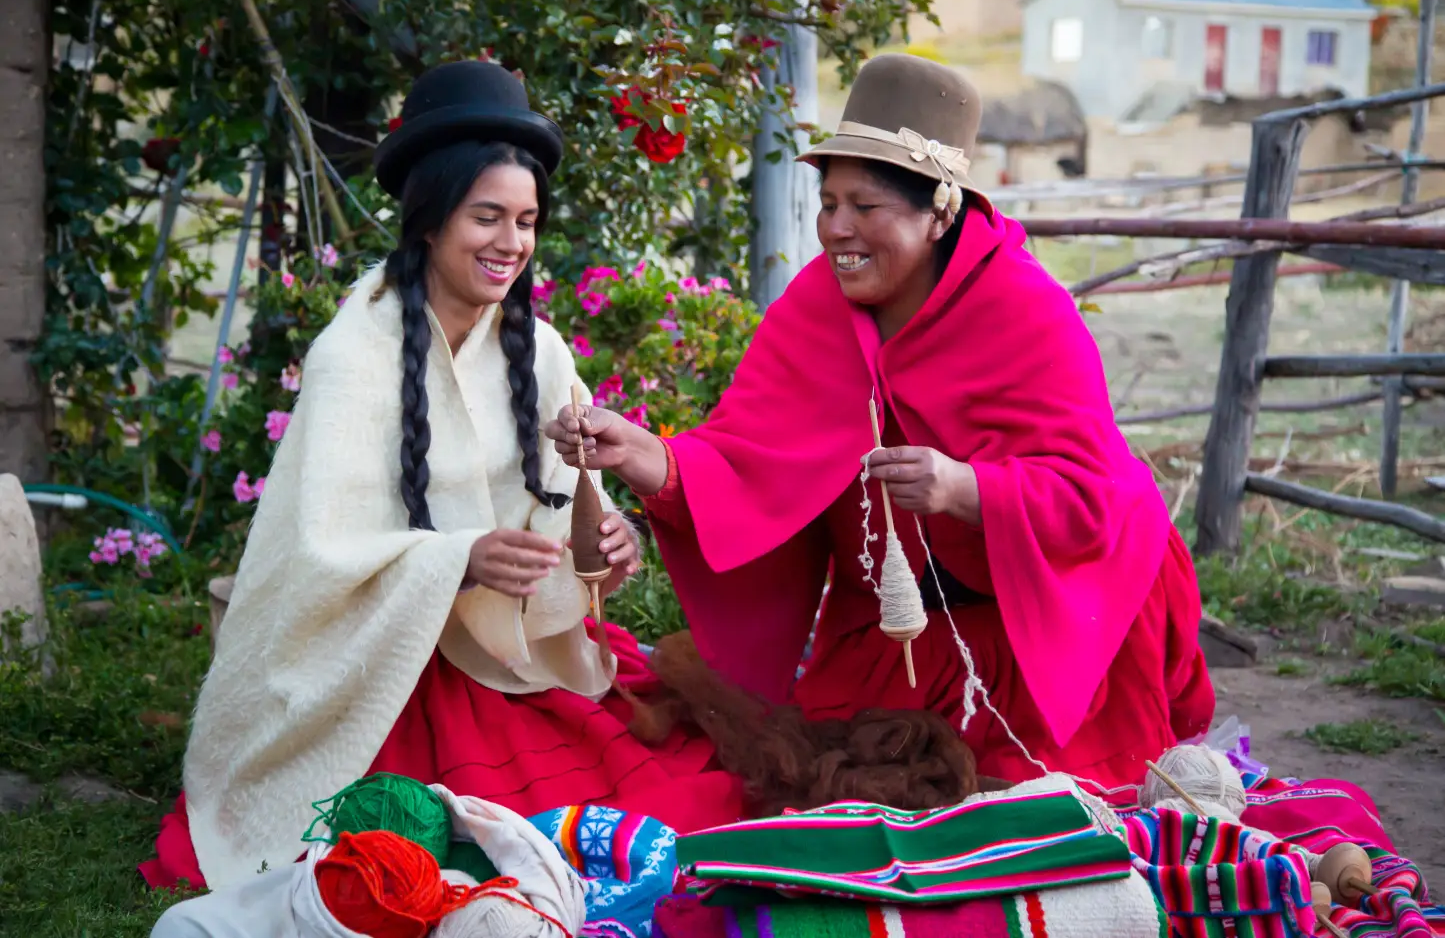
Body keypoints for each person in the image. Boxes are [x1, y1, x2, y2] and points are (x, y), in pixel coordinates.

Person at [141, 60, 741, 893]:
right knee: (467, 830)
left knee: (647, 791)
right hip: (391, 659)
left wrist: (604, 536)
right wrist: (457, 558)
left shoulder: (538, 346)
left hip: (507, 646)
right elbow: (321, 549)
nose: (511, 244)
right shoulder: (356, 355)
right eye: (486, 217)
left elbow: (558, 511)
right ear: (429, 219)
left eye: (526, 220)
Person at [544, 53, 1218, 792]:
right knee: (830, 781)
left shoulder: (1028, 313)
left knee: (1032, 807)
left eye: (864, 207)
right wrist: (647, 456)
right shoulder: (815, 307)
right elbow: (748, 459)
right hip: (897, 626)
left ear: (938, 211)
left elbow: (1092, 503)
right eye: (828, 203)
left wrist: (968, 488)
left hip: (1049, 625)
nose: (835, 228)